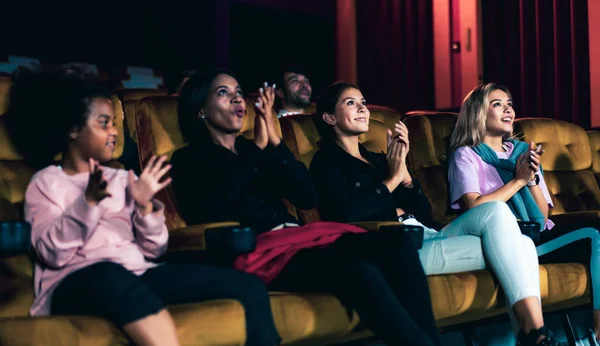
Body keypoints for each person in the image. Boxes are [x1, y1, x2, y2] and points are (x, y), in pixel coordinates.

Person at [4, 66, 280, 346]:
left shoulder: (124, 178)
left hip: (136, 274)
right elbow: (52, 254)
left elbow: (154, 250)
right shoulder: (48, 182)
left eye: (114, 123)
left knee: (248, 285)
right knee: (109, 273)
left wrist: (146, 207)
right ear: (73, 129)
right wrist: (87, 204)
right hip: (73, 282)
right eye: (104, 123)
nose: (114, 132)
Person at [170, 68, 441, 346]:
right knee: (357, 269)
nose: (238, 100)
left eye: (239, 92)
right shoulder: (188, 160)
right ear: (201, 110)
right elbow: (219, 210)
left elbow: (306, 196)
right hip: (257, 252)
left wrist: (274, 143)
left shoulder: (254, 149)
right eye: (224, 93)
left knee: (397, 244)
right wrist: (259, 151)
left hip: (296, 240)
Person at [309, 81, 559, 346]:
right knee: (504, 224)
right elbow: (346, 215)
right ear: (329, 117)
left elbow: (423, 211)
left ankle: (531, 334)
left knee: (520, 240)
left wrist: (403, 174)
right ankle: (535, 334)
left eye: (363, 102)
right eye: (351, 103)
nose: (362, 108)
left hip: (429, 234)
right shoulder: (326, 162)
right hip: (398, 250)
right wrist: (393, 179)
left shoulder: (381, 159)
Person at [448, 82, 600, 343]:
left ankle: (596, 332)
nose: (508, 110)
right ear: (478, 114)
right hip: (508, 241)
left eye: (509, 104)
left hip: (538, 233)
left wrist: (530, 180)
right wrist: (518, 180)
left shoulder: (522, 153)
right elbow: (473, 207)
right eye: (497, 104)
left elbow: (542, 217)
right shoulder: (466, 156)